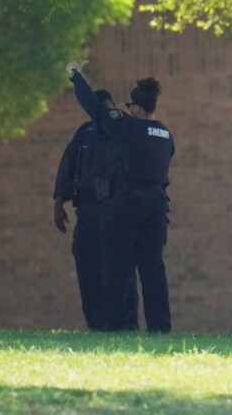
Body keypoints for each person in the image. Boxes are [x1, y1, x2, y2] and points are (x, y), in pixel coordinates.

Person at [66, 61, 174, 332]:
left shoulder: (128, 129)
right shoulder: (165, 134)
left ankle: (113, 325)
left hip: (126, 204)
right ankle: (160, 327)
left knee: (117, 266)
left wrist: (77, 77)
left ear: (136, 108)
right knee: (153, 269)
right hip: (157, 206)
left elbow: (94, 107)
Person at [53, 89, 139, 331]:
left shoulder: (124, 129)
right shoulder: (85, 133)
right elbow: (68, 164)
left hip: (117, 208)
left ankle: (127, 324)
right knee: (87, 265)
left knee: (122, 268)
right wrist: (59, 202)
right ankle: (96, 324)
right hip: (88, 210)